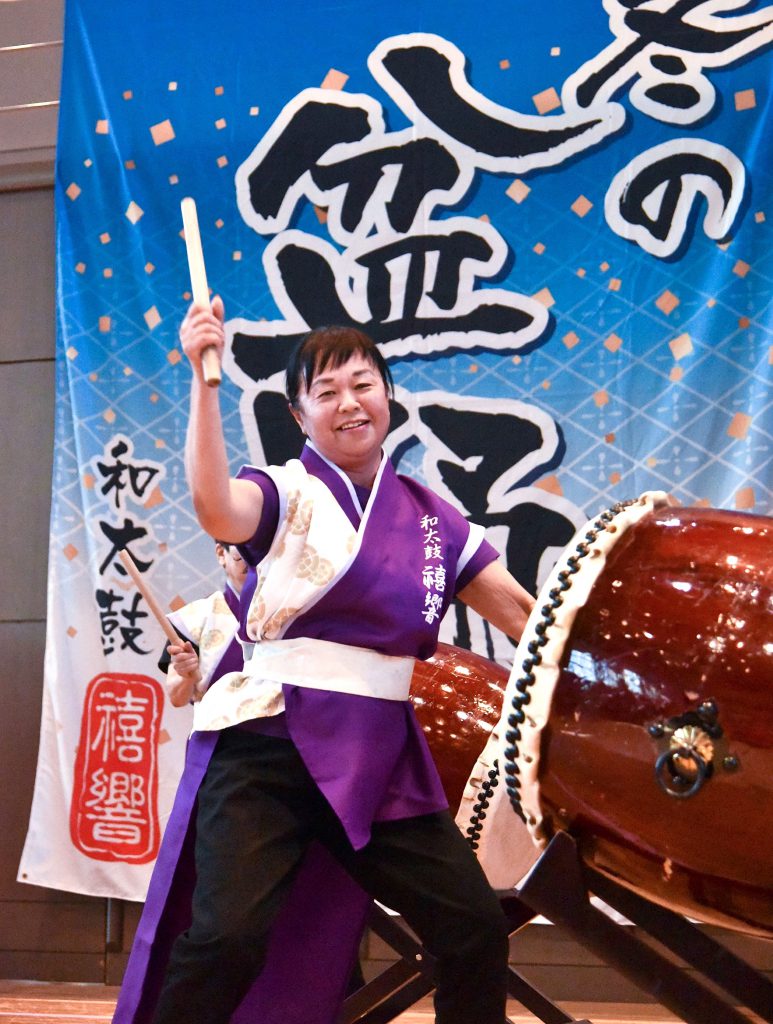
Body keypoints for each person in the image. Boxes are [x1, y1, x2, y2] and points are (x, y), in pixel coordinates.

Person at [113, 297, 535, 1024]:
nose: (349, 403)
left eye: (363, 383)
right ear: (298, 413)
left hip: (380, 758)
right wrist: (203, 385)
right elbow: (216, 507)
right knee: (225, 940)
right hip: (267, 746)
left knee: (473, 930)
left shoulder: (432, 519)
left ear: (387, 395)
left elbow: (522, 614)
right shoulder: (286, 492)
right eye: (327, 391)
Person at [158, 539, 249, 707]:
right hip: (217, 722)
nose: (254, 558)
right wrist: (186, 675)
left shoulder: (290, 616)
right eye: (245, 547)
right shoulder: (193, 619)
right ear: (221, 553)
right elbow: (176, 698)